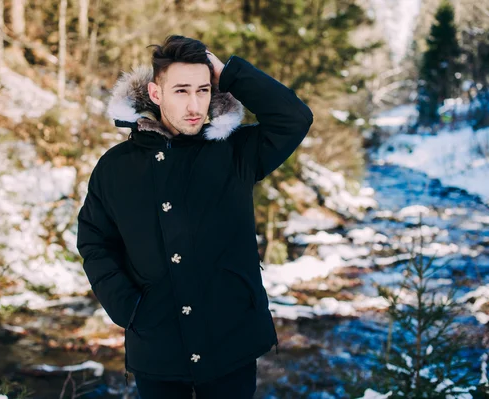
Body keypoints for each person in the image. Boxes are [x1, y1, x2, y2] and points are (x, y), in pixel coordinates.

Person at [76, 35, 313, 398]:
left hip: (231, 342)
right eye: (181, 90)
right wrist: (129, 308)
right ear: (155, 94)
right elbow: (94, 240)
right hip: (157, 349)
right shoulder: (115, 168)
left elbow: (294, 118)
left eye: (203, 90)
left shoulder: (236, 153)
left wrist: (228, 73)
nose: (194, 104)